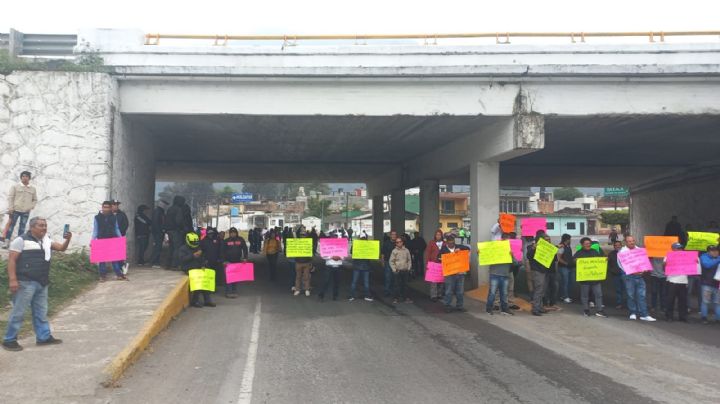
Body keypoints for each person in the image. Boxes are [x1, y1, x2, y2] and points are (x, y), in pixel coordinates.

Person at [2, 217, 71, 351]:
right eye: (40, 226)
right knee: (19, 312)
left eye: (45, 225)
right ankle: (9, 340)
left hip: (41, 282)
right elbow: (11, 261)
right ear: (32, 227)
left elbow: (62, 248)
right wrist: (12, 279)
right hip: (25, 282)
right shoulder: (20, 240)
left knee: (41, 312)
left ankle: (43, 337)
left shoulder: (47, 241)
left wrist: (67, 239)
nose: (44, 228)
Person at [618, 236, 655, 321]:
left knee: (641, 295)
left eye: (633, 240)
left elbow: (643, 262)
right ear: (626, 243)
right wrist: (631, 271)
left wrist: (644, 269)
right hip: (628, 276)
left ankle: (644, 314)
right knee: (631, 295)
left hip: (639, 276)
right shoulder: (622, 252)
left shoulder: (639, 250)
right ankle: (633, 312)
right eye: (629, 241)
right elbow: (621, 265)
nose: (632, 242)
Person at [93, 201, 126, 281]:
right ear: (102, 207)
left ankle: (119, 274)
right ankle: (102, 276)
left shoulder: (114, 217)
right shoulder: (97, 217)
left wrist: (120, 239)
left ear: (110, 208)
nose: (106, 209)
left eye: (107, 207)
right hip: (101, 240)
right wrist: (93, 240)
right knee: (102, 260)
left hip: (112, 239)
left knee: (114, 259)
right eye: (104, 207)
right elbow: (95, 230)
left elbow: (116, 228)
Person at [4, 171, 38, 249]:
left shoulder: (33, 189)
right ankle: (7, 241)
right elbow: (11, 197)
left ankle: (18, 244)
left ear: (29, 178)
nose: (24, 178)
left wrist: (30, 207)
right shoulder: (15, 186)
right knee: (11, 226)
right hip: (15, 210)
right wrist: (11, 208)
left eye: (26, 176)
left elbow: (35, 200)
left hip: (26, 211)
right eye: (23, 176)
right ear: (21, 177)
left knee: (22, 227)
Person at [574, 237, 606, 317]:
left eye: (589, 243)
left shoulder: (595, 251)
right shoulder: (579, 253)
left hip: (595, 278)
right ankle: (586, 310)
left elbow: (600, 260)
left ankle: (599, 310)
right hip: (585, 279)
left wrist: (604, 260)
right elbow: (572, 261)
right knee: (585, 296)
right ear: (582, 245)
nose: (588, 245)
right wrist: (575, 261)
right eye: (586, 244)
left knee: (598, 294)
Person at [486, 234, 518, 316]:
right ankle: (489, 309)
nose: (507, 242)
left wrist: (512, 256)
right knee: (492, 293)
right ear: (502, 239)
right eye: (506, 240)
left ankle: (504, 309)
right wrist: (480, 254)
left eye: (509, 241)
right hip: (494, 274)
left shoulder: (510, 250)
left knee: (504, 293)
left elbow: (516, 263)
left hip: (505, 275)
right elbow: (485, 258)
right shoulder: (494, 248)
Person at [180, 232, 215, 308]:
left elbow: (202, 258)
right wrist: (193, 255)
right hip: (188, 268)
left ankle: (207, 300)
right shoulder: (183, 249)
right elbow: (183, 259)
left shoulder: (197, 247)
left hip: (198, 267)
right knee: (198, 282)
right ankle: (195, 300)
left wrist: (203, 265)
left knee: (206, 280)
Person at [440, 235, 470, 313]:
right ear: (446, 243)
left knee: (460, 291)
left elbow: (468, 249)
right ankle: (447, 306)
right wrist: (442, 259)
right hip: (449, 274)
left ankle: (459, 306)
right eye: (450, 243)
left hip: (460, 273)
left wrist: (460, 249)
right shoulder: (443, 249)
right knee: (449, 290)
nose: (451, 245)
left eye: (453, 243)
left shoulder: (459, 246)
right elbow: (438, 258)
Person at [527, 234, 555, 316]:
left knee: (542, 290)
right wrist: (533, 248)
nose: (548, 241)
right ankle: (535, 309)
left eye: (549, 240)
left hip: (545, 271)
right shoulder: (533, 247)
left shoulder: (548, 248)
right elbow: (528, 256)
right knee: (539, 290)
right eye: (546, 240)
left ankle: (540, 307)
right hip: (537, 271)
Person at [664, 243, 693, 322]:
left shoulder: (686, 257)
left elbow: (691, 266)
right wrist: (667, 263)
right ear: (673, 249)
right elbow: (664, 266)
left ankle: (683, 317)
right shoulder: (668, 256)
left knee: (683, 300)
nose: (680, 250)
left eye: (680, 248)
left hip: (683, 281)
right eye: (678, 248)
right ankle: (669, 316)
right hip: (672, 281)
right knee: (670, 300)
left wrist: (694, 261)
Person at [223, 227, 248, 298]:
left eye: (234, 233)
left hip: (237, 262)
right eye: (231, 233)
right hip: (228, 262)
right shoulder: (226, 241)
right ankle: (228, 292)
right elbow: (222, 251)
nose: (233, 234)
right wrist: (224, 261)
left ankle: (234, 291)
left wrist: (245, 258)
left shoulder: (241, 239)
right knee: (229, 277)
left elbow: (245, 249)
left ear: (236, 233)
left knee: (235, 277)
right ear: (229, 233)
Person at [699, 245, 720, 324]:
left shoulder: (718, 258)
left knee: (718, 303)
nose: (715, 252)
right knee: (705, 302)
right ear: (708, 252)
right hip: (706, 284)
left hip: (717, 284)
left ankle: (718, 318)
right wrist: (718, 259)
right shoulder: (704, 257)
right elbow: (707, 265)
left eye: (716, 250)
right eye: (713, 251)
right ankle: (704, 317)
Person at [164, 196, 186, 269]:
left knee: (171, 247)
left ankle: (167, 264)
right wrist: (182, 228)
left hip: (169, 231)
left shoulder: (170, 209)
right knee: (177, 248)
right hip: (176, 231)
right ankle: (174, 265)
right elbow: (179, 221)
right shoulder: (178, 209)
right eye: (182, 201)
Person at [390, 236, 413, 304]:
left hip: (405, 270)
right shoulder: (394, 251)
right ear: (396, 244)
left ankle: (405, 298)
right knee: (396, 285)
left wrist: (409, 268)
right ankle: (396, 298)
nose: (399, 243)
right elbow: (391, 261)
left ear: (402, 242)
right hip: (397, 270)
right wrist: (394, 269)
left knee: (405, 285)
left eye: (400, 242)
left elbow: (409, 260)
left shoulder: (406, 250)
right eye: (397, 242)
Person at [349, 236, 373, 301]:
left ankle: (351, 296)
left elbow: (351, 252)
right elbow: (373, 253)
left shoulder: (356, 246)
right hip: (366, 267)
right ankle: (367, 296)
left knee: (354, 282)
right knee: (366, 282)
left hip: (357, 266)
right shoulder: (369, 246)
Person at [425, 229, 445, 302]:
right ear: (435, 236)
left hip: (442, 264)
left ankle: (439, 294)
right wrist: (427, 263)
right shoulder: (431, 243)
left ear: (441, 235)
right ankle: (433, 295)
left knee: (441, 281)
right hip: (433, 264)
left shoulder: (444, 243)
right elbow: (428, 253)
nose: (438, 236)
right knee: (433, 281)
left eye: (439, 235)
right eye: (437, 235)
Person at [293, 229, 313, 296]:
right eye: (301, 235)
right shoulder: (296, 242)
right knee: (298, 277)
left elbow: (311, 253)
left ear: (306, 235)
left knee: (306, 277)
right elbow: (293, 251)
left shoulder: (308, 243)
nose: (302, 236)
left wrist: (311, 262)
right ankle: (297, 290)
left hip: (306, 262)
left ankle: (306, 289)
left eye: (304, 235)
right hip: (298, 262)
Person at [606, 240, 625, 309]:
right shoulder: (611, 254)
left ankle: (629, 303)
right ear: (614, 246)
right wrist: (612, 271)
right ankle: (619, 303)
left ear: (621, 245)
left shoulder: (626, 253)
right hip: (616, 275)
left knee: (628, 290)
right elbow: (608, 264)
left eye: (619, 245)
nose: (617, 246)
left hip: (626, 275)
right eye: (616, 245)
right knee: (618, 290)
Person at [556, 234, 575, 304]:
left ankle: (565, 296)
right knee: (565, 283)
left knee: (569, 282)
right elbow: (559, 258)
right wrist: (566, 263)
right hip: (563, 267)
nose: (570, 240)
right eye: (570, 239)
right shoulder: (561, 246)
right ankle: (565, 296)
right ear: (567, 239)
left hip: (569, 267)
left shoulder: (568, 246)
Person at [150, 200, 168, 268]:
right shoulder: (158, 212)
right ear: (161, 205)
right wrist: (160, 231)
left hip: (159, 232)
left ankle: (155, 261)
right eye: (165, 204)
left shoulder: (160, 211)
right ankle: (154, 262)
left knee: (158, 247)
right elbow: (155, 223)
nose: (165, 206)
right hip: (158, 233)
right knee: (157, 247)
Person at [381, 230, 398, 297]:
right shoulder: (386, 243)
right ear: (390, 235)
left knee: (395, 278)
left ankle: (393, 291)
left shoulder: (398, 243)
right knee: (387, 277)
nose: (394, 236)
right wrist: (382, 261)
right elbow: (382, 253)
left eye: (395, 234)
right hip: (387, 262)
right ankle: (387, 291)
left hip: (396, 263)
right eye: (392, 234)